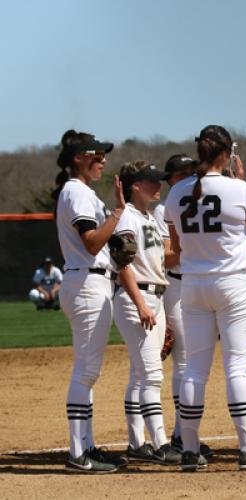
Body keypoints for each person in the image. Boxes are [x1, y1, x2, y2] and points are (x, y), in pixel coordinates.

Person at [164, 125, 246, 471]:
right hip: (233, 284)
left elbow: (175, 245)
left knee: (193, 371)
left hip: (193, 285)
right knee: (237, 369)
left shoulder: (176, 193)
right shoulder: (239, 188)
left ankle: (189, 452)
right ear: (226, 153)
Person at [53, 129, 127, 473]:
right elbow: (92, 243)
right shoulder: (78, 193)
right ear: (81, 158)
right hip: (85, 282)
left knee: (88, 372)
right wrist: (117, 214)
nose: (103, 161)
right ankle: (78, 453)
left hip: (87, 281)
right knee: (85, 373)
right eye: (98, 156)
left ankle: (87, 446)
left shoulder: (80, 192)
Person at [112, 160, 182, 466]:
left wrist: (178, 229)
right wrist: (140, 303)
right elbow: (121, 264)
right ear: (135, 186)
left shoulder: (151, 217)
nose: (159, 185)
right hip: (136, 296)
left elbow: (169, 256)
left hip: (155, 296)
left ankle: (137, 443)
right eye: (153, 181)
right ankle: (161, 444)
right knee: (152, 375)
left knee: (141, 375)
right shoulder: (127, 216)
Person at [152, 154, 213, 458]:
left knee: (188, 361)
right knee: (183, 360)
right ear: (172, 180)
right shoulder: (165, 208)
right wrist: (197, 245)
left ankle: (180, 431)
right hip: (175, 286)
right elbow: (167, 255)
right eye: (184, 174)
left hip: (191, 283)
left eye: (193, 172)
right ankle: (178, 434)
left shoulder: (195, 203)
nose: (191, 177)